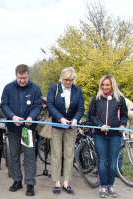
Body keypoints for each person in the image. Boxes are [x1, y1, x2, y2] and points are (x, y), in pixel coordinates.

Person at [1, 64, 42, 197]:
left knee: (29, 156)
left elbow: (38, 106)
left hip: (27, 130)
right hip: (13, 129)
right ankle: (17, 181)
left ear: (28, 75)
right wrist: (12, 116)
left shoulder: (35, 89)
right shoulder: (8, 88)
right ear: (16, 75)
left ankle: (30, 184)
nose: (22, 80)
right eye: (20, 78)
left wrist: (31, 116)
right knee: (13, 155)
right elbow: (4, 105)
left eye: (24, 78)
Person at [47, 67, 84, 195]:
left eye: (71, 80)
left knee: (69, 154)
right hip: (57, 125)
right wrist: (60, 118)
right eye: (66, 80)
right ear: (62, 78)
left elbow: (81, 108)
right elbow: (50, 105)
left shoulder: (78, 90)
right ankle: (56, 182)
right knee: (56, 154)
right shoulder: (54, 88)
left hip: (71, 128)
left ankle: (66, 182)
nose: (68, 82)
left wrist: (75, 119)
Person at [88, 75, 127, 198]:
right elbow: (91, 116)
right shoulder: (96, 98)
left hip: (115, 135)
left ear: (112, 85)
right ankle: (103, 186)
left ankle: (111, 185)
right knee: (103, 161)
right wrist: (100, 125)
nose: (105, 87)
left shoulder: (120, 99)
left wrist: (123, 125)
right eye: (103, 85)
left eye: (107, 85)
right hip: (100, 135)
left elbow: (124, 115)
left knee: (112, 162)